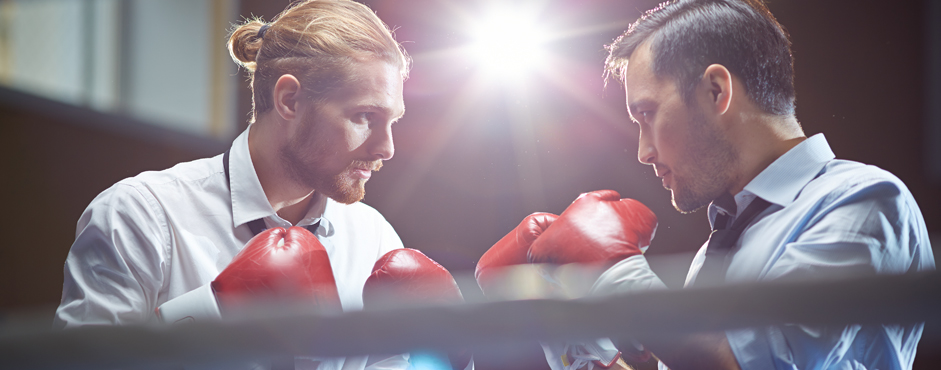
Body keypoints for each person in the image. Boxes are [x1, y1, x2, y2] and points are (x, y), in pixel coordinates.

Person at [481, 0, 934, 369]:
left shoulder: (862, 199)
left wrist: (615, 274)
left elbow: (749, 365)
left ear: (716, 91)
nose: (643, 151)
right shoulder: (722, 245)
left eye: (648, 114)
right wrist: (575, 341)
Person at [54, 0, 421, 368]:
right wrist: (213, 310)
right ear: (289, 100)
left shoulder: (374, 239)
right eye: (365, 116)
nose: (386, 148)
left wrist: (464, 346)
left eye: (394, 121)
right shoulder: (141, 216)